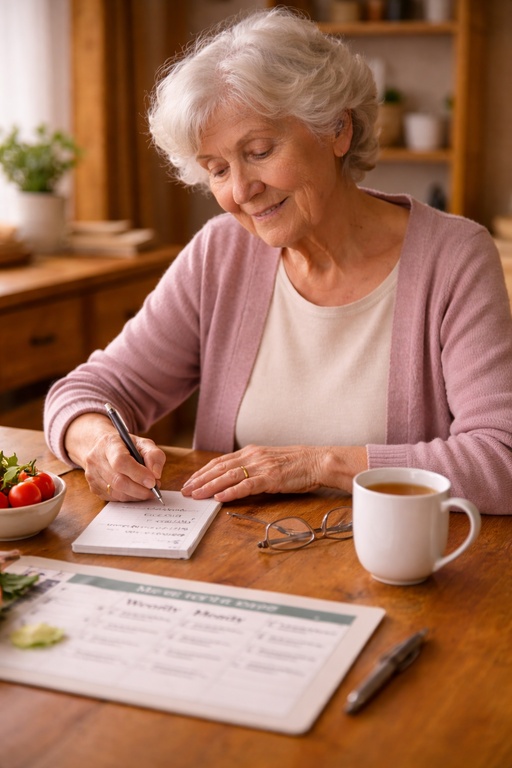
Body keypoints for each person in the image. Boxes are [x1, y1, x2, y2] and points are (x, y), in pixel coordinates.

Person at [44, 9, 512, 515]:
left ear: (337, 129)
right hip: (240, 565)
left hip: (392, 576)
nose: (242, 190)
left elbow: (500, 459)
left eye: (260, 151)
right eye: (218, 169)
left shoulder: (455, 257)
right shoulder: (220, 253)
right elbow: (89, 391)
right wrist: (97, 443)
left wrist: (319, 465)